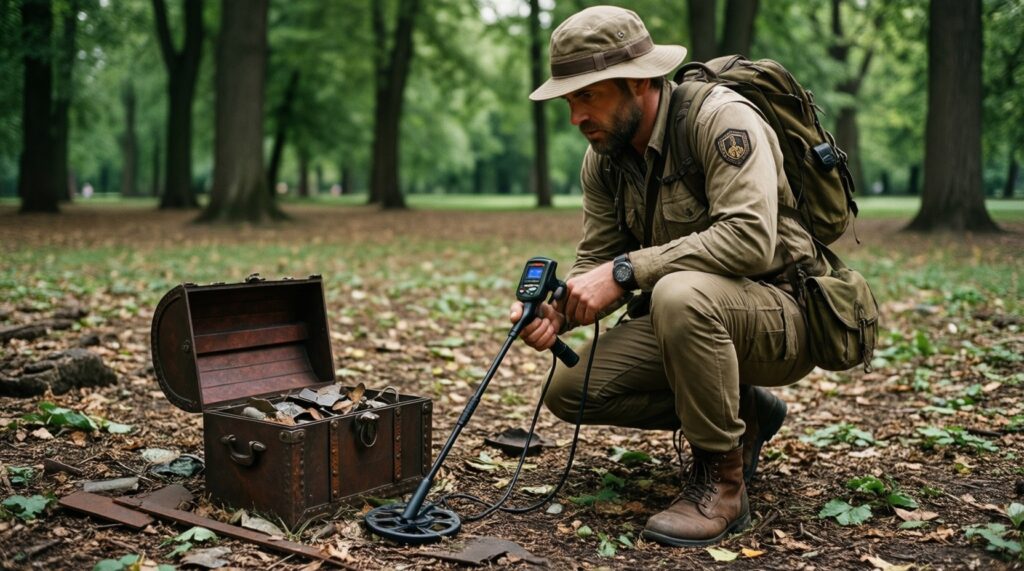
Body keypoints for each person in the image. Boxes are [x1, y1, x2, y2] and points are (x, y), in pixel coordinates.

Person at [510, 6, 826, 547]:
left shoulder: (721, 119)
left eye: (588, 96)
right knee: (571, 390)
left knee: (678, 294)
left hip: (782, 316)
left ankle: (722, 485)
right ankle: (745, 413)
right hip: (690, 321)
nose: (575, 117)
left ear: (637, 81)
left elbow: (750, 238)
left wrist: (629, 270)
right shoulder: (605, 157)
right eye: (569, 100)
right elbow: (598, 263)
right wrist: (558, 309)